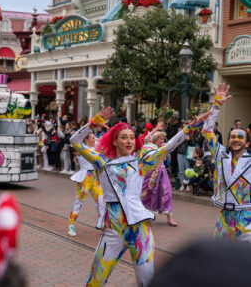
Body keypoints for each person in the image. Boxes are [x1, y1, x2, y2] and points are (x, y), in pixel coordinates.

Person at [70, 106, 210, 286]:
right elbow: (75, 141)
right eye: (123, 137)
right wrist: (91, 125)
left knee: (146, 282)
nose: (129, 141)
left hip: (139, 231)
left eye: (131, 138)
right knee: (95, 281)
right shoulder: (102, 163)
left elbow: (168, 147)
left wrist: (191, 126)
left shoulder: (141, 164)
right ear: (114, 141)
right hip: (113, 230)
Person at [203, 83, 251, 241]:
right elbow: (208, 131)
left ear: (247, 143)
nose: (235, 140)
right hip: (224, 219)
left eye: (240, 137)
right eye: (232, 137)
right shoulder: (220, 154)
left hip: (247, 220)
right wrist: (216, 106)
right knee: (218, 261)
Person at [68, 132, 104, 236]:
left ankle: (101, 225)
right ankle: (71, 225)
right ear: (86, 139)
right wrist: (88, 126)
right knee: (79, 202)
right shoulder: (81, 148)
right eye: (93, 138)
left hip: (95, 179)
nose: (95, 139)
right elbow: (74, 138)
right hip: (85, 179)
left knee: (101, 202)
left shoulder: (95, 148)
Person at [141, 131, 177, 227]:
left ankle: (169, 218)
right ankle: (146, 215)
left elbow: (172, 144)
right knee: (149, 193)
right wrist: (156, 128)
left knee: (166, 192)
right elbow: (146, 139)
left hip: (162, 172)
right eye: (160, 139)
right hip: (151, 173)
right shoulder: (150, 147)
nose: (162, 141)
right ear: (155, 139)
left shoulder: (163, 147)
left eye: (163, 139)